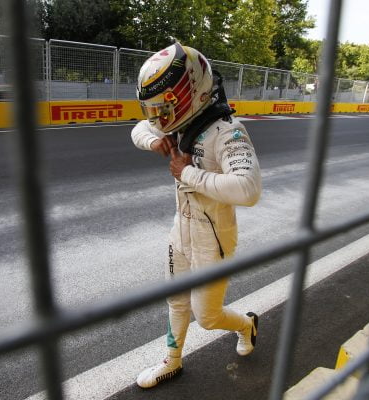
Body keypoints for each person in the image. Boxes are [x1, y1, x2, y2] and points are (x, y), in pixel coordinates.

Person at [130, 42, 262, 388]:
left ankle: (247, 324)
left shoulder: (228, 132)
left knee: (208, 316)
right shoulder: (177, 122)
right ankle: (171, 361)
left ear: (189, 93)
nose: (159, 117)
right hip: (181, 230)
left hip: (214, 239)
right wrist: (154, 142)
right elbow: (139, 129)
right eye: (154, 108)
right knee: (176, 300)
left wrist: (187, 173)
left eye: (164, 107)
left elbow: (248, 189)